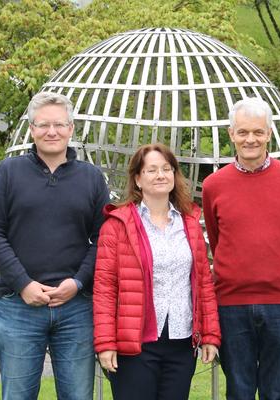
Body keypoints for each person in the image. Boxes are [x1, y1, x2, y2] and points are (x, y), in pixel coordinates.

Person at [0, 92, 109, 399]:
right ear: (32, 128)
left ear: (71, 128)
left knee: (78, 395)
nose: (52, 131)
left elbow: (104, 238)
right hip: (18, 306)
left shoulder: (91, 178)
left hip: (76, 308)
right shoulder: (8, 173)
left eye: (59, 125)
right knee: (18, 395)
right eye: (44, 125)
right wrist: (24, 284)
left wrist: (77, 283)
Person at [202, 97, 280, 399]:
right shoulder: (214, 185)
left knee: (277, 391)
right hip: (232, 304)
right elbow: (217, 237)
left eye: (258, 132)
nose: (251, 139)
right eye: (243, 132)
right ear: (231, 134)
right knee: (239, 389)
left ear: (269, 134)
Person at [93, 143, 221, 400]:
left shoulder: (190, 224)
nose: (160, 175)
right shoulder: (117, 225)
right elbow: (105, 288)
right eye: (151, 170)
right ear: (138, 179)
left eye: (166, 169)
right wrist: (105, 343)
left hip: (182, 342)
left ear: (174, 175)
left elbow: (203, 284)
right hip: (135, 345)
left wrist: (210, 334)